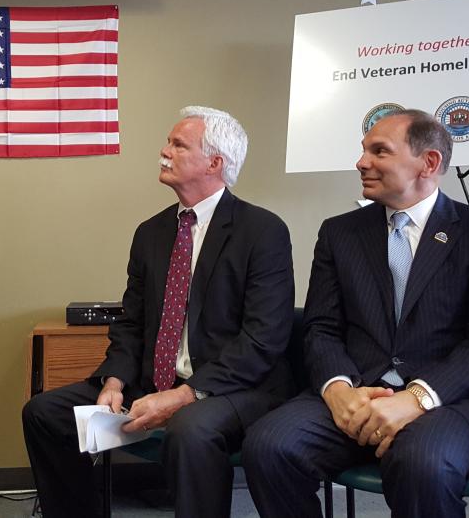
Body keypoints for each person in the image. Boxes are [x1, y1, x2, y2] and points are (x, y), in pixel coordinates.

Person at [243, 110, 469, 518]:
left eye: (379, 152)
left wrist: (416, 398)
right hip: (357, 391)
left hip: (450, 401)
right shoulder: (340, 233)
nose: (361, 162)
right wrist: (338, 391)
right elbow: (321, 327)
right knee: (269, 445)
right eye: (363, 151)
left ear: (428, 163)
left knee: (421, 464)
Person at [22, 106, 295, 518]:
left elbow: (263, 339)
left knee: (190, 429)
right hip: (152, 382)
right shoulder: (151, 232)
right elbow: (131, 321)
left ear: (214, 162)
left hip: (231, 388)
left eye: (178, 144)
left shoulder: (263, 231)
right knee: (45, 413)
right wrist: (114, 381)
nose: (163, 151)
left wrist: (184, 395)